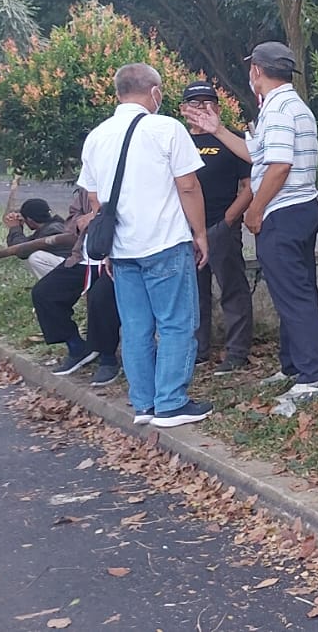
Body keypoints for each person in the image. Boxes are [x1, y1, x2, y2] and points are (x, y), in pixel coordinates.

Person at [184, 41, 318, 402]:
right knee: (293, 291)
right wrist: (219, 130)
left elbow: (279, 166)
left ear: (256, 71)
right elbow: (258, 155)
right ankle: (293, 365)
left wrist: (255, 209)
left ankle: (315, 375)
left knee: (294, 295)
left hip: (284, 212)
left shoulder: (279, 109)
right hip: (300, 208)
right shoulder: (286, 105)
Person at [77, 63, 211, 428]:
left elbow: (95, 200)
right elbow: (188, 186)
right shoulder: (167, 128)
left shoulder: (97, 137)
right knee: (176, 324)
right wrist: (200, 233)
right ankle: (171, 402)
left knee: (135, 327)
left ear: (119, 93)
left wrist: (109, 248)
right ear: (155, 92)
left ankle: (144, 403)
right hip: (165, 242)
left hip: (121, 249)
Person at [180, 80, 256, 375]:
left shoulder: (232, 140)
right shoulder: (177, 141)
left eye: (208, 102)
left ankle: (237, 351)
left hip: (222, 226)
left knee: (233, 289)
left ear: (218, 108)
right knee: (193, 293)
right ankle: (198, 350)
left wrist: (228, 220)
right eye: (195, 103)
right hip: (186, 230)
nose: (202, 108)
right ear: (183, 109)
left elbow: (249, 186)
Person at [19, 190, 123, 386]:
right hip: (82, 258)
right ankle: (76, 347)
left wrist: (98, 216)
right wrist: (80, 221)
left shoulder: (125, 179)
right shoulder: (87, 187)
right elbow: (72, 217)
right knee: (44, 293)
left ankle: (108, 358)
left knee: (100, 298)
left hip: (117, 260)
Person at [4, 198, 69, 279]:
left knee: (35, 257)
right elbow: (19, 248)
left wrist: (15, 227)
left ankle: (58, 286)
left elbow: (20, 249)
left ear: (30, 220)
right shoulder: (53, 227)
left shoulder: (52, 230)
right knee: (29, 255)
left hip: (74, 270)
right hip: (70, 267)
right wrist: (18, 227)